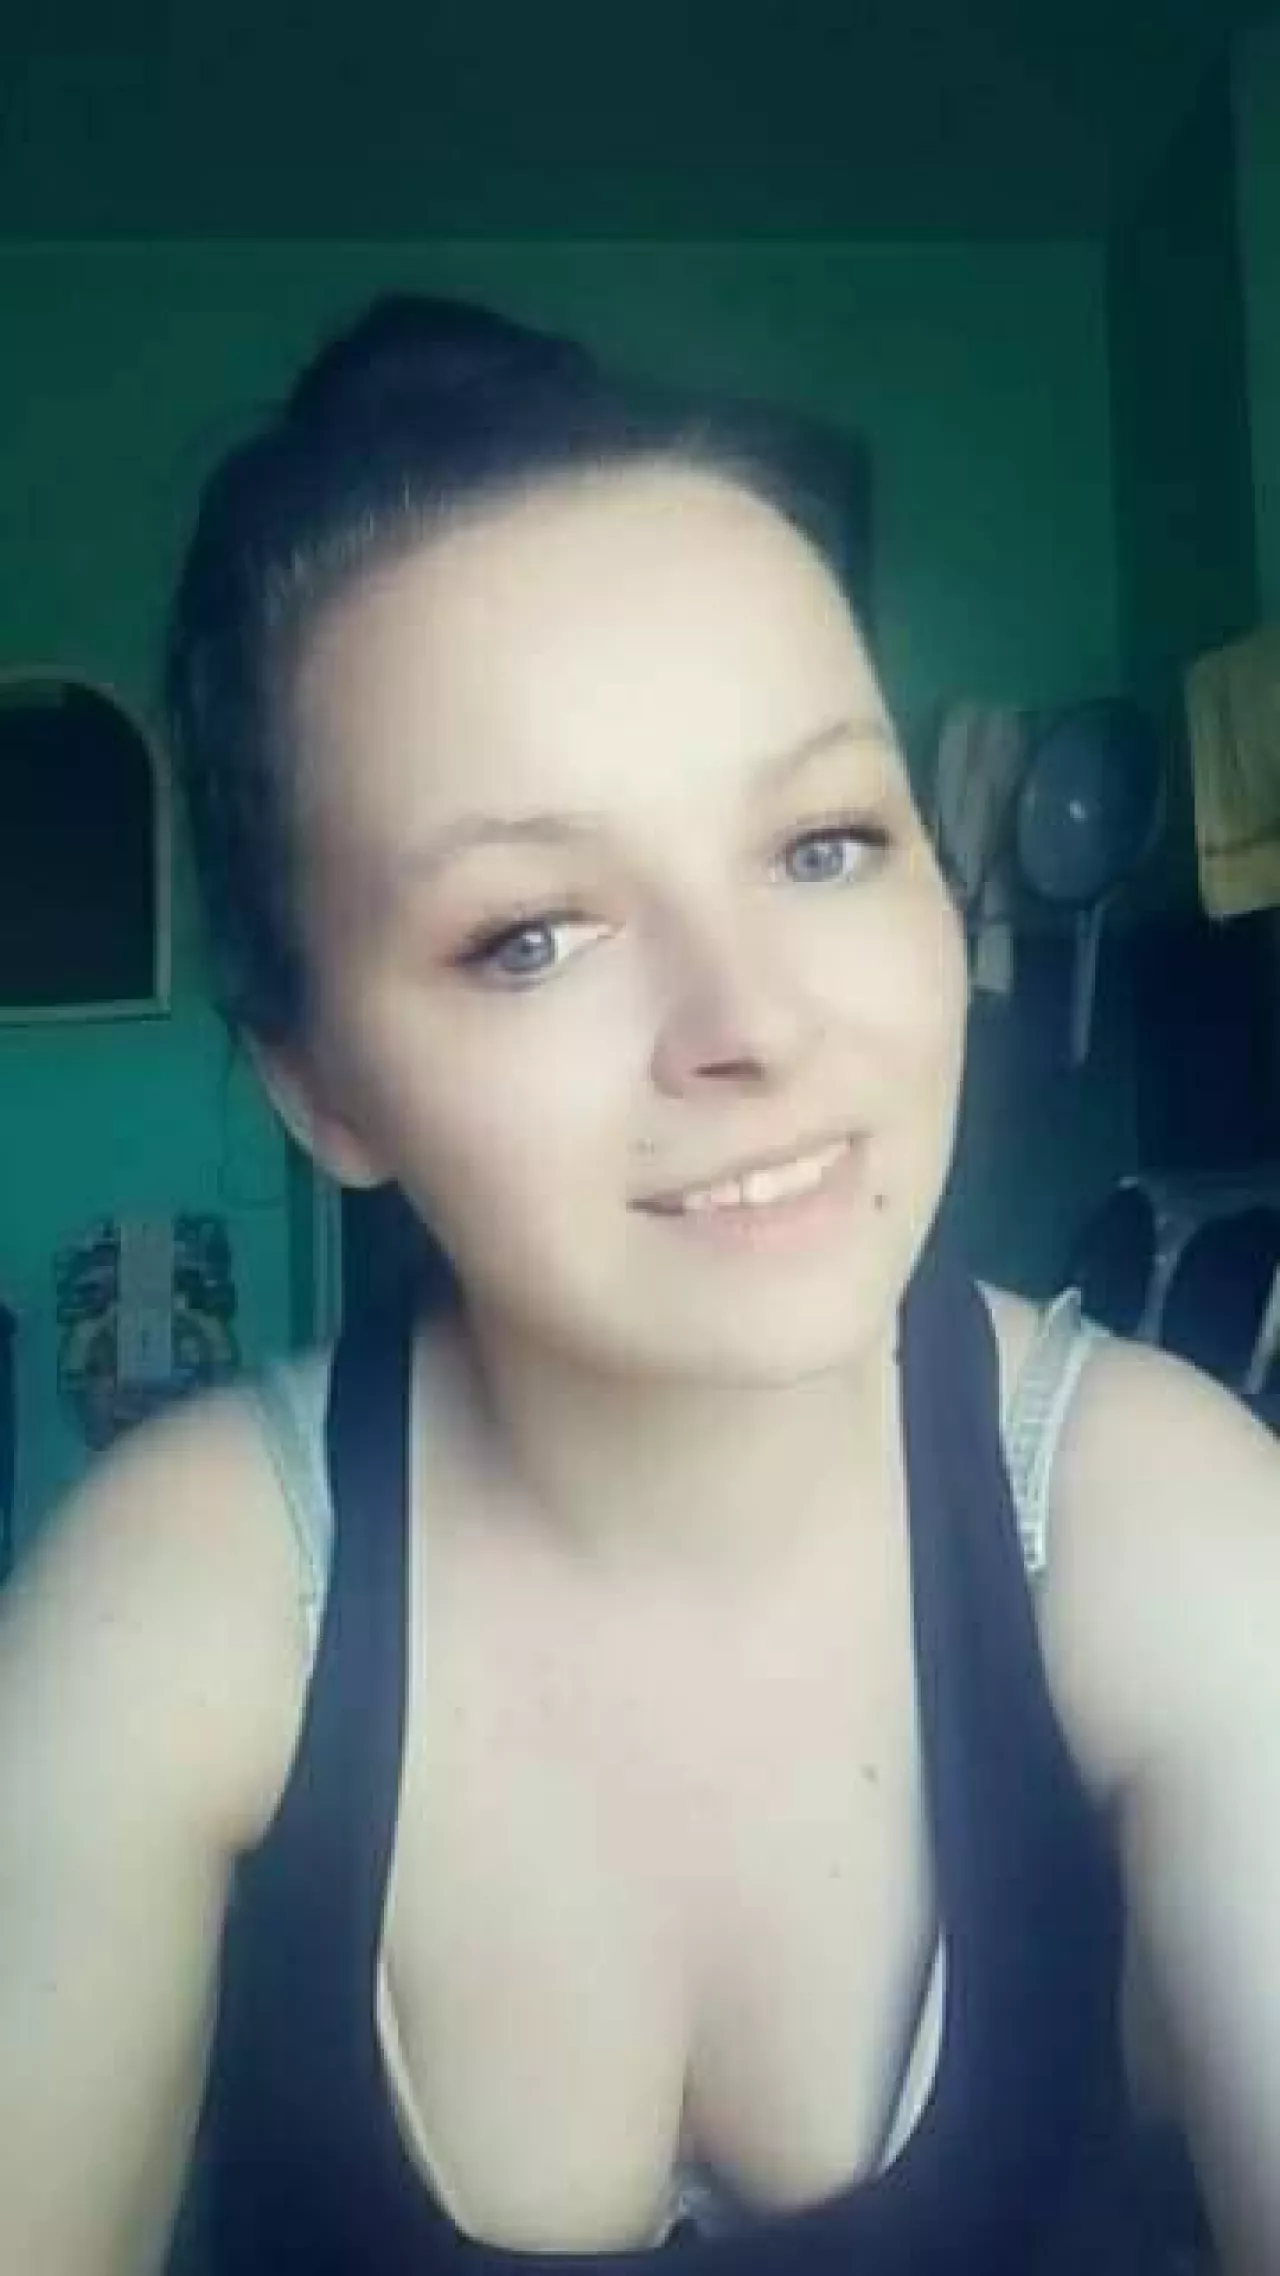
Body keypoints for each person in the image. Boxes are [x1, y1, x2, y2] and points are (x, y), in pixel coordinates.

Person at [1, 295, 1278, 2276]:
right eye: (528, 935)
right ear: (322, 1086)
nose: (750, 1020)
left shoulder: (1160, 1523)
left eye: (825, 842)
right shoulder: (182, 1600)